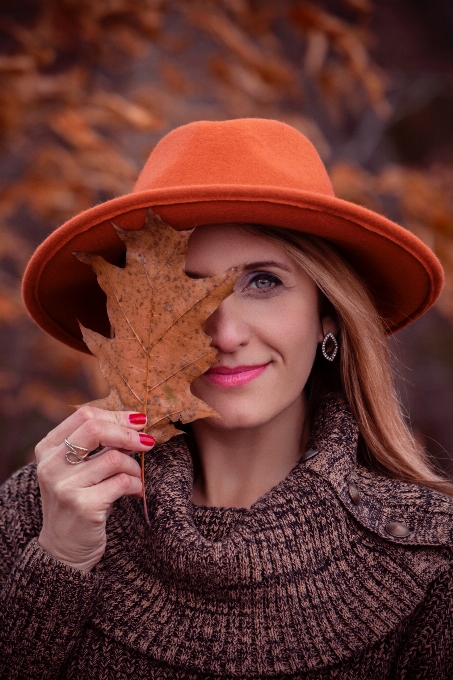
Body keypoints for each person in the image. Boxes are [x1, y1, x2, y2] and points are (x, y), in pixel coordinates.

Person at [1, 118, 452, 679]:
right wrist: (58, 566)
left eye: (262, 282)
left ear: (327, 315)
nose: (225, 335)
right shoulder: (39, 515)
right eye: (186, 292)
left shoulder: (433, 560)